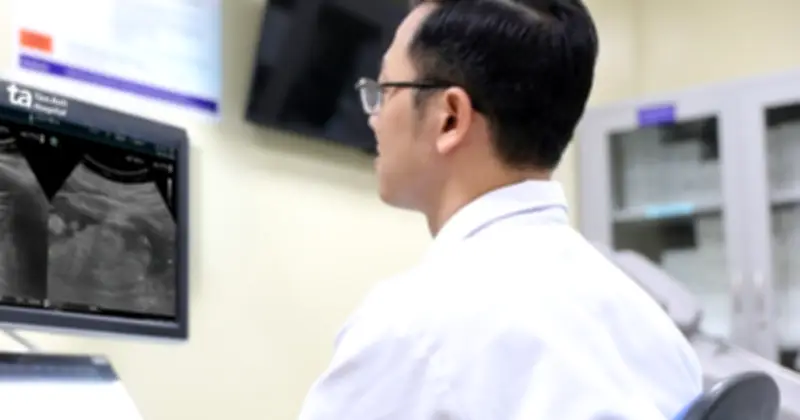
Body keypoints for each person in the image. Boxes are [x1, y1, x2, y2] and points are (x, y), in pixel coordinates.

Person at [298, 0, 703, 418]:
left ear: (450, 118)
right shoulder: (651, 327)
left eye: (385, 90)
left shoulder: (409, 328)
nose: (374, 118)